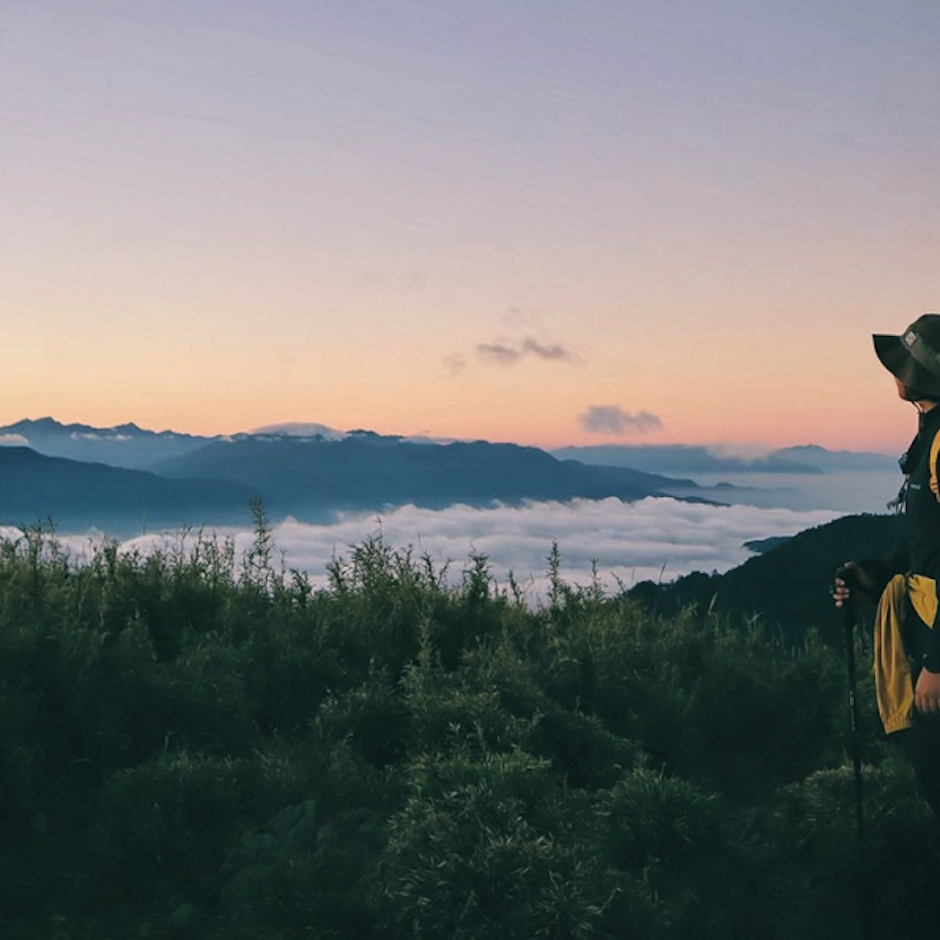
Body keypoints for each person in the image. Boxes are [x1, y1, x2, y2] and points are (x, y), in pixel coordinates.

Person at [833, 313, 940, 817]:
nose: (894, 372)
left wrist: (937, 666)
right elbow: (922, 547)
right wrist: (870, 575)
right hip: (924, 629)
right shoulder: (929, 435)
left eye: (903, 362)